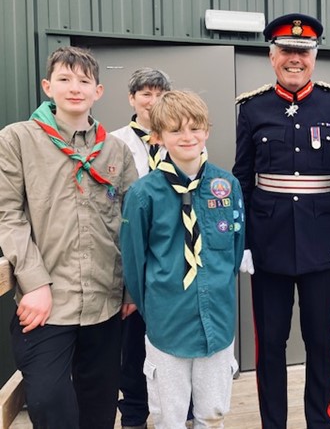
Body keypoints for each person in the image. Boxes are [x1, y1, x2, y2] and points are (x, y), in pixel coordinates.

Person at [232, 13, 330, 429]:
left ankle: (318, 422)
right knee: (270, 346)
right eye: (287, 51)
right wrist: (244, 242)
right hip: (268, 247)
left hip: (324, 248)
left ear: (314, 57)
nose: (295, 58)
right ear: (272, 56)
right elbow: (241, 179)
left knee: (320, 344)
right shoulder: (252, 109)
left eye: (303, 52)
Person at [0, 46, 138, 429]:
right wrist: (34, 283)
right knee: (48, 403)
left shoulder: (116, 150)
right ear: (48, 86)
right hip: (47, 305)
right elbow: (7, 214)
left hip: (105, 302)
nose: (74, 88)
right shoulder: (17, 140)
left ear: (98, 91)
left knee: (99, 405)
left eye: (84, 81)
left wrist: (130, 289)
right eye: (64, 79)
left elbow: (130, 221)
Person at [120, 90, 244, 428]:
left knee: (213, 411)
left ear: (207, 131)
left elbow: (233, 250)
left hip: (216, 322)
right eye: (175, 130)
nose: (187, 137)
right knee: (168, 414)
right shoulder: (144, 194)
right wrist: (156, 307)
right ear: (158, 137)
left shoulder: (226, 185)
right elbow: (134, 262)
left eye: (194, 128)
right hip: (167, 323)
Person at [110, 67, 172, 429]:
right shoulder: (114, 140)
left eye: (159, 93)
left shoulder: (181, 137)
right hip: (131, 254)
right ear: (132, 99)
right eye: (145, 94)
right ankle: (134, 415)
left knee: (171, 339)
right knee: (132, 344)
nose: (153, 101)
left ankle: (182, 410)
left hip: (171, 256)